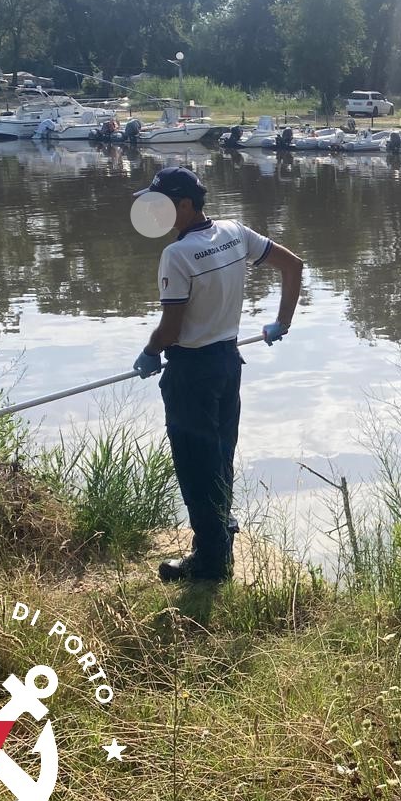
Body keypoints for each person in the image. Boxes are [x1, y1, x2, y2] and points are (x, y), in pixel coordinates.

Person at [131, 166, 304, 582]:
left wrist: (151, 351)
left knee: (195, 466)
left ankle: (210, 565)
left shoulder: (177, 254)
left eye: (163, 205)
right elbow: (293, 266)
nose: (156, 213)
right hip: (227, 366)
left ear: (186, 205)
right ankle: (218, 540)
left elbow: (171, 328)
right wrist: (282, 322)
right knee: (219, 459)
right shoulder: (233, 232)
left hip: (191, 373)